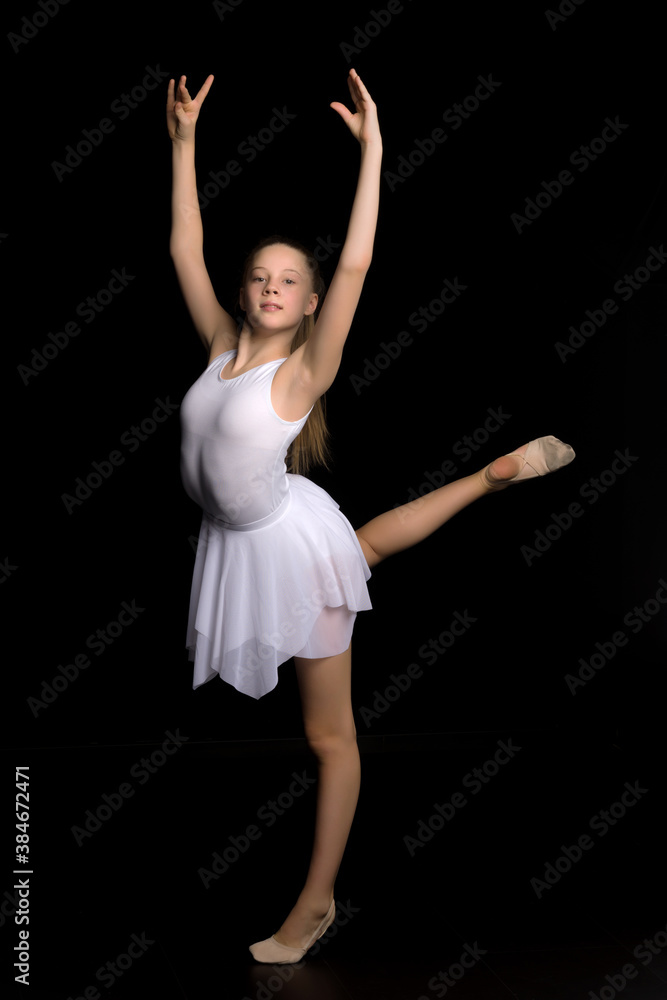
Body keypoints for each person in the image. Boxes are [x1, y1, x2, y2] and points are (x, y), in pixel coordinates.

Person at [167, 69, 574, 964]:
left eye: (290, 281)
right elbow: (186, 252)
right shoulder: (221, 349)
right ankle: (487, 480)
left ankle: (314, 904)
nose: (272, 287)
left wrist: (373, 151)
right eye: (260, 277)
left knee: (328, 734)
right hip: (250, 536)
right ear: (246, 294)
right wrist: (185, 143)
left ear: (309, 304)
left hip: (277, 543)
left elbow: (355, 261)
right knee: (359, 549)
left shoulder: (299, 373)